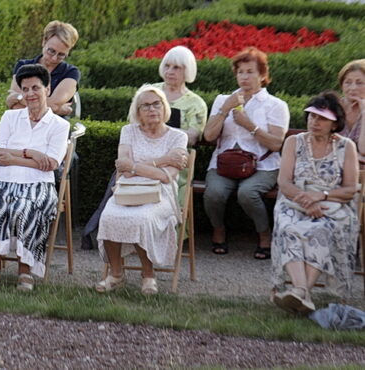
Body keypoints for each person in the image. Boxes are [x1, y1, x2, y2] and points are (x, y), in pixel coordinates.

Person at [0, 63, 70, 292]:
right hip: (3, 180)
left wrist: (15, 156)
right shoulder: (10, 117)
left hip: (38, 184)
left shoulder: (59, 124)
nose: (30, 94)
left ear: (47, 89)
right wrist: (33, 154)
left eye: (35, 88)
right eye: (25, 89)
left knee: (25, 208)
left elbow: (52, 163)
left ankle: (25, 270)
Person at [95, 85, 189, 296]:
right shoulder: (128, 131)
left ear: (164, 107)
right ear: (137, 111)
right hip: (128, 190)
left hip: (161, 192)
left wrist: (135, 166)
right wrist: (163, 160)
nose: (152, 109)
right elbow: (124, 170)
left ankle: (148, 275)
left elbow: (167, 176)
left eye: (156, 104)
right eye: (145, 105)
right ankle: (116, 274)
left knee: (142, 218)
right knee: (108, 216)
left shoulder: (177, 137)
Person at [271, 92, 360, 314]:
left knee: (321, 230)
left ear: (334, 124)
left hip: (333, 205)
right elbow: (284, 182)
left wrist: (322, 196)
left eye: (322, 118)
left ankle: (300, 292)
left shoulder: (346, 146)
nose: (315, 122)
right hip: (294, 202)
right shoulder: (294, 142)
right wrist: (306, 201)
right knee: (289, 227)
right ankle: (302, 293)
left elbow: (350, 189)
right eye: (312, 116)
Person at [202, 47, 289, 259]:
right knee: (213, 194)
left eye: (250, 72)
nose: (244, 77)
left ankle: (264, 234)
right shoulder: (223, 99)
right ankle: (219, 229)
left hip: (262, 165)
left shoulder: (275, 105)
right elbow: (209, 136)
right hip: (225, 164)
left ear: (262, 75)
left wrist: (250, 126)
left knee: (247, 193)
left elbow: (276, 144)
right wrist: (225, 109)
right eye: (240, 72)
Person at [6, 20, 80, 117]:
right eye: (51, 51)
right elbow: (15, 107)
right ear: (44, 42)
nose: (54, 58)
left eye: (61, 55)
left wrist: (18, 98)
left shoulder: (71, 72)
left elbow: (53, 105)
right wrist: (59, 109)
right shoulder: (22, 65)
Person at [337, 59, 365, 167]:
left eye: (359, 83)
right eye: (348, 82)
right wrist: (355, 156)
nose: (353, 88)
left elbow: (364, 150)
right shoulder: (333, 107)